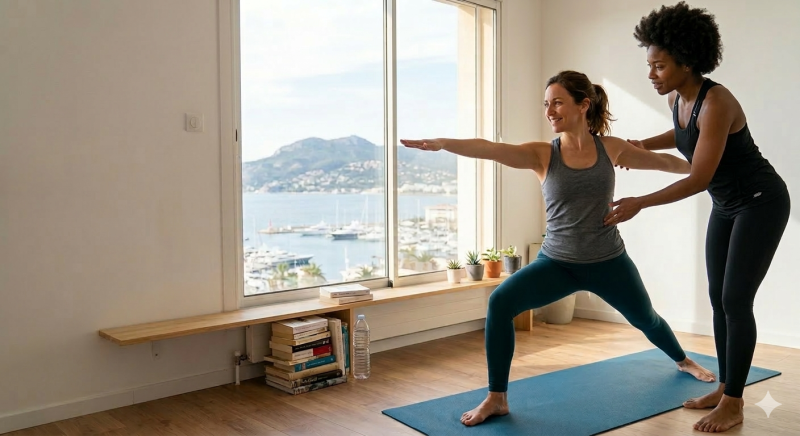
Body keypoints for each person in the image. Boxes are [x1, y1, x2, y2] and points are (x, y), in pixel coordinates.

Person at [401, 70, 716, 427]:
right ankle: (497, 397)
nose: (549, 111)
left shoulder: (609, 148)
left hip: (608, 261)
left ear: (583, 105)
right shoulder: (541, 155)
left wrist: (705, 170)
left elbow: (666, 163)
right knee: (500, 303)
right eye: (546, 104)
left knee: (646, 318)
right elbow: (489, 148)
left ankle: (682, 360)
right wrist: (443, 142)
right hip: (557, 263)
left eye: (557, 102)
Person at [603, 2, 791, 433]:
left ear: (687, 61)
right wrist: (645, 144)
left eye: (660, 66)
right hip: (728, 205)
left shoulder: (718, 101)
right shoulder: (679, 98)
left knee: (735, 300)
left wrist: (640, 202)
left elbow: (697, 178)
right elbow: (684, 132)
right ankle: (726, 386)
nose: (652, 74)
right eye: (650, 65)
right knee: (717, 297)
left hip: (761, 202)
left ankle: (735, 403)